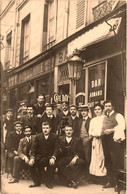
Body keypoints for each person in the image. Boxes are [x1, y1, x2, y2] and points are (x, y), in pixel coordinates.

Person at [102, 100, 125, 192]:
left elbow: (122, 126)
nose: (107, 108)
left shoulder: (118, 115)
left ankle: (117, 183)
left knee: (115, 162)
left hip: (114, 141)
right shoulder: (104, 117)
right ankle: (110, 181)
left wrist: (111, 130)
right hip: (105, 141)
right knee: (108, 161)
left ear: (113, 107)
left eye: (109, 106)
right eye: (106, 106)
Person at [29, 121, 59, 189]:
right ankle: (36, 182)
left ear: (50, 128)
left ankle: (48, 182)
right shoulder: (38, 136)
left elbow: (56, 148)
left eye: (47, 128)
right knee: (31, 164)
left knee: (52, 164)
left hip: (49, 157)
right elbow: (33, 148)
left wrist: (53, 157)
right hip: (39, 156)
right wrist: (32, 158)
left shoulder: (55, 136)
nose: (45, 130)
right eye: (43, 128)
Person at [89, 103, 107, 183]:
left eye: (99, 109)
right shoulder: (93, 120)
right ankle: (95, 177)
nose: (97, 111)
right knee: (95, 158)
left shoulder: (105, 118)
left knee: (101, 157)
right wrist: (95, 134)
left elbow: (103, 131)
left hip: (103, 140)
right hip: (95, 140)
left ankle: (103, 177)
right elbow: (90, 131)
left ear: (102, 110)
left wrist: (99, 134)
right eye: (95, 109)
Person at [78, 105, 91, 181]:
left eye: (85, 111)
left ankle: (88, 175)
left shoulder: (90, 120)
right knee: (81, 158)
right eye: (82, 111)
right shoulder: (79, 120)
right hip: (80, 141)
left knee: (87, 158)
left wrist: (88, 139)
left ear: (88, 112)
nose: (83, 113)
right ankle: (82, 175)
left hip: (87, 141)